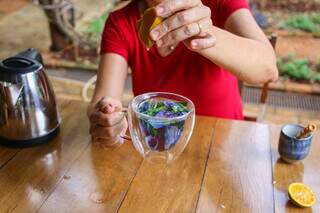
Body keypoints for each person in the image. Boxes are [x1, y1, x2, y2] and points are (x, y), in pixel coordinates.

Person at [88, 0, 278, 146]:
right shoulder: (121, 22)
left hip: (225, 143)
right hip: (159, 145)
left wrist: (204, 34)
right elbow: (102, 101)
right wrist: (108, 120)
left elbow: (267, 69)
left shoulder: (219, 3)